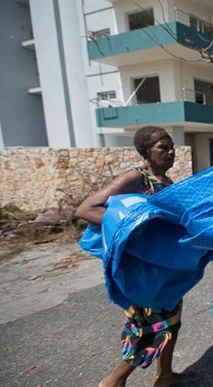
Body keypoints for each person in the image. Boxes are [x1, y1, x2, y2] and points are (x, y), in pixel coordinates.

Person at [76, 126, 199, 387]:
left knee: (171, 321)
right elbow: (87, 209)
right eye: (162, 148)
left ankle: (164, 375)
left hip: (165, 271)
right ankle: (113, 381)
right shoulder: (137, 178)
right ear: (146, 152)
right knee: (147, 328)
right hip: (143, 273)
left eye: (172, 148)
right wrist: (132, 231)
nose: (170, 152)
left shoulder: (167, 182)